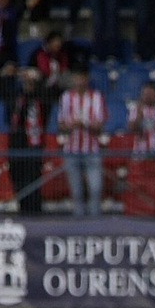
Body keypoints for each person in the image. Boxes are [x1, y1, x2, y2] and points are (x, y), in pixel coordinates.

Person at [58, 68, 105, 215]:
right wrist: (71, 125)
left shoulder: (96, 97)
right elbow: (61, 125)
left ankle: (95, 223)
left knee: (95, 188)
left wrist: (85, 124)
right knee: (76, 192)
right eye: (76, 78)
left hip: (91, 150)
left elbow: (99, 126)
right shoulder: (66, 97)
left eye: (81, 78)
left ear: (86, 79)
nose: (79, 81)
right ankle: (78, 224)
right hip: (71, 150)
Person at [126, 80, 155, 213]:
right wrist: (139, 117)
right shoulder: (135, 110)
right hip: (140, 157)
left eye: (150, 93)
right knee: (138, 190)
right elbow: (131, 128)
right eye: (145, 93)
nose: (147, 96)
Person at [7, 68, 46, 214]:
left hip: (33, 147)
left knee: (33, 183)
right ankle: (23, 211)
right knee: (19, 182)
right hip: (16, 147)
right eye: (25, 82)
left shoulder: (40, 99)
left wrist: (36, 76)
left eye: (31, 82)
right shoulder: (17, 99)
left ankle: (34, 213)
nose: (27, 85)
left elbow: (49, 90)